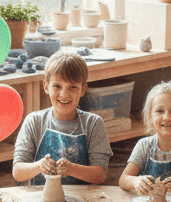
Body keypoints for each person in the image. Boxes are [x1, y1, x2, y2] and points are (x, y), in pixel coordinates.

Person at [11, 51, 112, 186]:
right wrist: (40, 166)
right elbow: (18, 172)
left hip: (82, 197)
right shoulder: (34, 121)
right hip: (41, 196)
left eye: (73, 87)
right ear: (46, 86)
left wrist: (71, 169)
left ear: (83, 89)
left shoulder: (93, 124)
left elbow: (100, 175)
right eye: (57, 86)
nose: (64, 94)